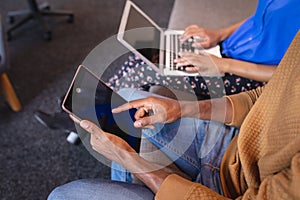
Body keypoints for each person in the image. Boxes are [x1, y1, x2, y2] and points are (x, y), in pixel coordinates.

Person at [48, 31, 300, 200]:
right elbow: (265, 96)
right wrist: (182, 108)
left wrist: (129, 160)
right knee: (129, 101)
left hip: (232, 190)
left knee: (62, 195)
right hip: (234, 145)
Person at [107, 0, 300, 99]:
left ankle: (102, 116)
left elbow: (291, 75)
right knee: (142, 53)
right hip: (232, 47)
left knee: (142, 71)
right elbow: (263, 17)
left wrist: (222, 65)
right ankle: (101, 105)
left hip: (251, 75)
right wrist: (220, 34)